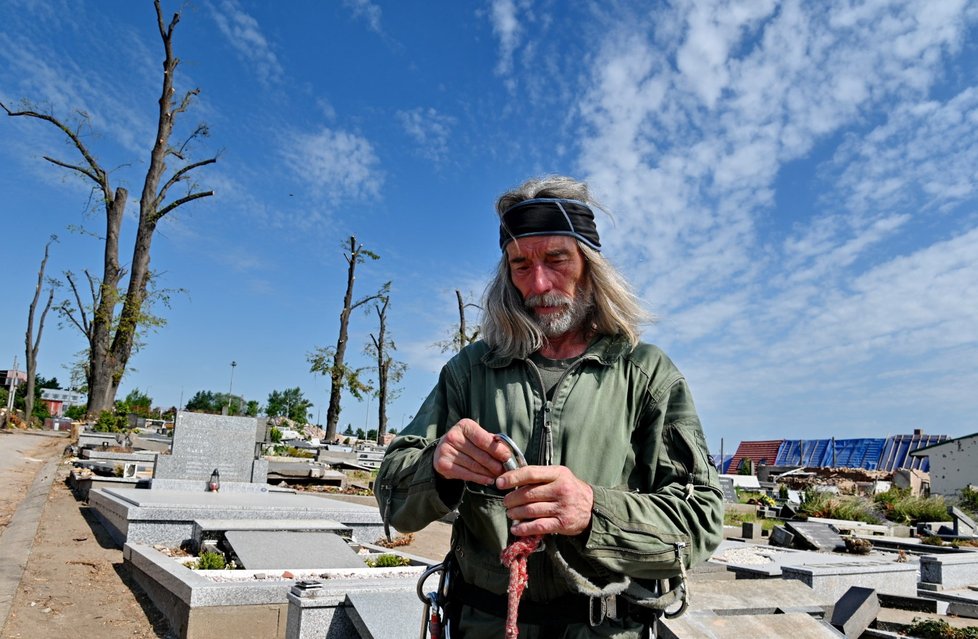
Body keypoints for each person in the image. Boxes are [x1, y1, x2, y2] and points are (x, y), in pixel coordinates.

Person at [376, 176, 722, 638]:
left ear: (589, 264)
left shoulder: (645, 374)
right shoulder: (471, 371)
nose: (538, 283)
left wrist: (593, 511)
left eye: (557, 259)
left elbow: (700, 520)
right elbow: (393, 503)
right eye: (520, 265)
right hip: (485, 626)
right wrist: (436, 469)